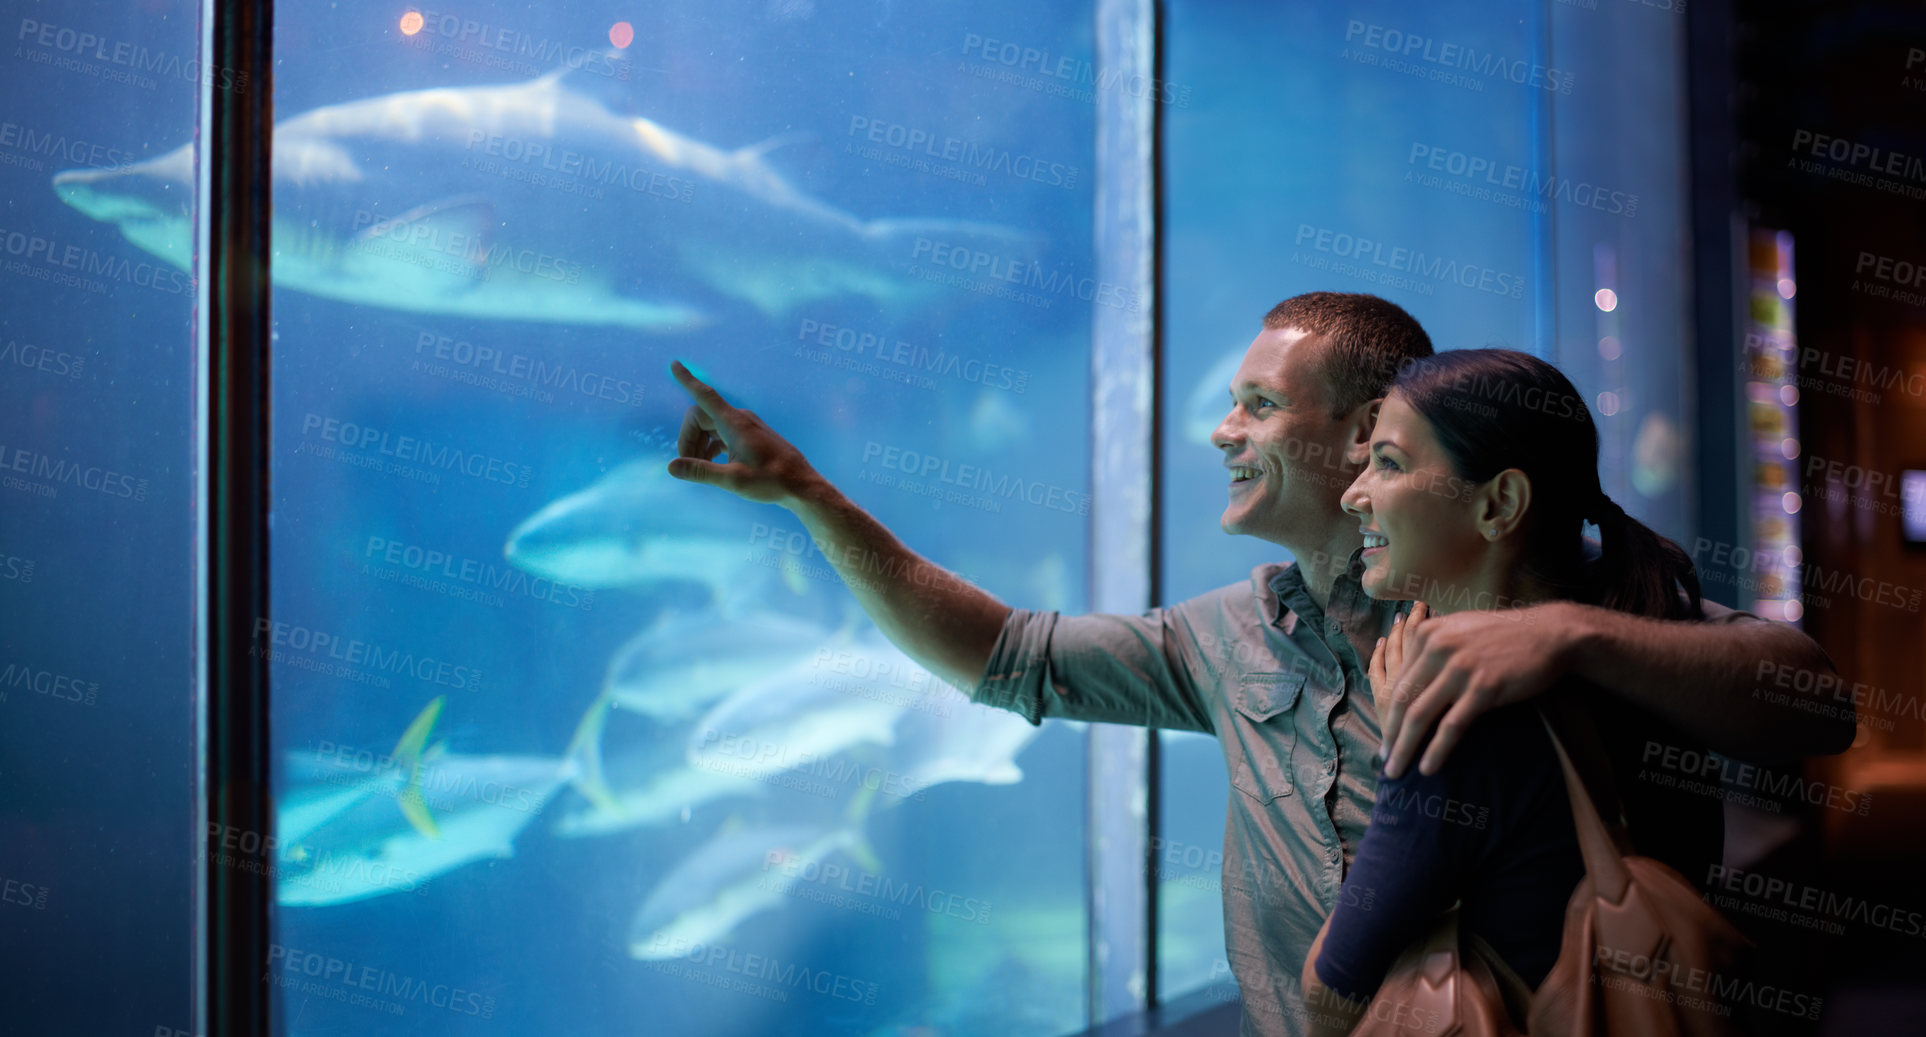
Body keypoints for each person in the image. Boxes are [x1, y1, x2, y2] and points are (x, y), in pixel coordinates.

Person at [666, 292, 1851, 1037]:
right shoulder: (1225, 638)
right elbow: (1003, 653)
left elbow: (1816, 703)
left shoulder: (1566, 600)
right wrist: (809, 497)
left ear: (1358, 436)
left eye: (1256, 404)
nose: (1221, 431)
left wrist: (1577, 635)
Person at [1300, 347, 1712, 1034]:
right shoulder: (1644, 658)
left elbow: (1330, 990)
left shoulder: (1461, 721)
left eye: (1391, 463)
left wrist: (1403, 743)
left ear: (1499, 503)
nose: (1354, 493)